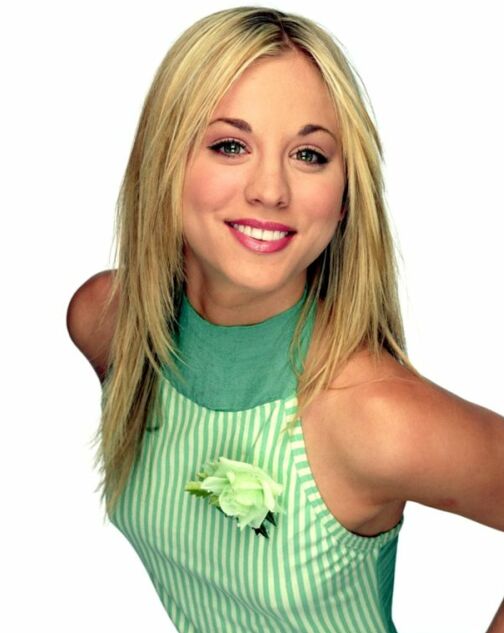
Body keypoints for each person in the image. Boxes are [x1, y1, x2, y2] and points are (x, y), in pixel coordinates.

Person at [66, 7, 504, 632]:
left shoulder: (374, 413)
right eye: (230, 145)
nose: (270, 189)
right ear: (165, 160)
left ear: (345, 196)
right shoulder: (108, 324)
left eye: (308, 154)